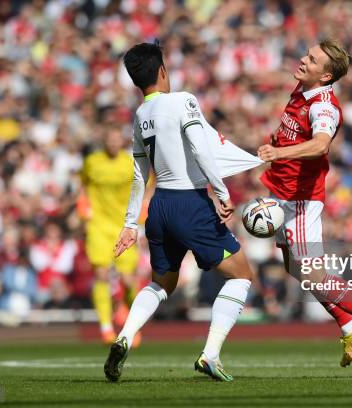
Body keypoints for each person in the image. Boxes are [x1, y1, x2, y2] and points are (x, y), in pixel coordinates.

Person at [104, 42, 255, 382]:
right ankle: (210, 355)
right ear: (162, 71)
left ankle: (124, 335)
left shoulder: (140, 116)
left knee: (162, 283)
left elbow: (140, 174)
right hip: (189, 202)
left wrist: (131, 224)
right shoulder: (183, 100)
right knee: (242, 274)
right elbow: (202, 150)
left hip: (159, 207)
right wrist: (221, 192)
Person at [257, 39, 352, 369]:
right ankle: (350, 328)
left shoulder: (324, 106)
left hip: (301, 200)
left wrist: (279, 153)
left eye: (312, 60)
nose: (303, 61)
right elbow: (293, 132)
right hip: (282, 192)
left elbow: (321, 144)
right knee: (294, 268)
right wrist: (278, 143)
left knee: (315, 275)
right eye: (306, 54)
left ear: (325, 77)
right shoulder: (301, 89)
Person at [79, 127, 141, 345]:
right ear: (104, 140)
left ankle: (132, 323)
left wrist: (142, 213)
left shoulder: (130, 162)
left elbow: (147, 185)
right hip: (98, 226)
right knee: (101, 275)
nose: (114, 143)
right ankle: (106, 328)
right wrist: (83, 207)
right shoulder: (92, 162)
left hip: (124, 226)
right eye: (110, 139)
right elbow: (83, 185)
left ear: (121, 142)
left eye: (117, 139)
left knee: (127, 279)